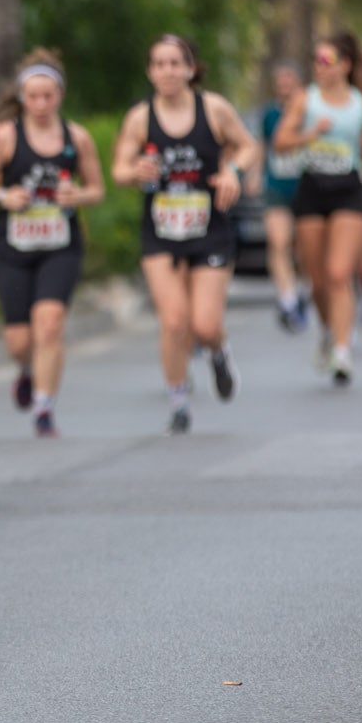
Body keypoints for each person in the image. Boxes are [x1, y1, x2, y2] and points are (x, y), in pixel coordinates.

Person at [111, 35, 262, 433]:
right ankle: (178, 400)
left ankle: (219, 352)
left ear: (190, 69)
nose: (168, 72)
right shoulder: (141, 118)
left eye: (175, 63)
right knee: (174, 321)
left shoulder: (212, 109)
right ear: (150, 72)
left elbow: (248, 147)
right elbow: (119, 169)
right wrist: (135, 173)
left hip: (209, 228)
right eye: (159, 64)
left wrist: (233, 172)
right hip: (161, 230)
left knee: (205, 325)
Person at [0, 50, 106, 438]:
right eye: (34, 97)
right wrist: (3, 197)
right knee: (18, 340)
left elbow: (97, 189)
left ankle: (45, 408)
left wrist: (76, 196)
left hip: (60, 246)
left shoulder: (76, 138)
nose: (41, 104)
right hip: (13, 249)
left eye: (49, 96)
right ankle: (27, 370)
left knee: (49, 325)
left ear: (60, 95)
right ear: (22, 97)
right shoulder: (7, 137)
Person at [273, 32, 362, 386]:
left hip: (349, 189)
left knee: (339, 273)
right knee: (317, 279)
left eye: (327, 60)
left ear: (346, 65)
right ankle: (326, 329)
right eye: (316, 61)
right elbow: (281, 142)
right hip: (312, 189)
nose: (319, 67)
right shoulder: (305, 100)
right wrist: (311, 135)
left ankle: (341, 350)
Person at [260, 63, 311, 331]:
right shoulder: (269, 113)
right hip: (277, 185)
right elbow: (262, 145)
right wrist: (255, 176)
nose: (285, 86)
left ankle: (304, 290)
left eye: (289, 80)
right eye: (280, 81)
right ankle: (287, 299)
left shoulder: (310, 112)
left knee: (303, 249)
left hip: (306, 186)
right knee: (278, 241)